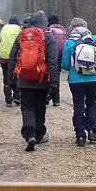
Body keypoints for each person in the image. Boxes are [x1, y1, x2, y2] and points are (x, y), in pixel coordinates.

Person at [8, 11, 60, 151]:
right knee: (40, 106)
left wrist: (11, 80)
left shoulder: (22, 36)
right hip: (42, 79)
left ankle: (29, 133)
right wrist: (55, 84)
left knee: (27, 107)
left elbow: (13, 58)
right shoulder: (48, 37)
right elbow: (54, 62)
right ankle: (38, 134)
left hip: (24, 79)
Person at [61, 17, 96, 147]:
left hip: (76, 81)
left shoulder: (70, 43)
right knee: (91, 103)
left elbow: (64, 65)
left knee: (78, 105)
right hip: (94, 78)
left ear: (72, 28)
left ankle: (80, 135)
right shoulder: (95, 39)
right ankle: (92, 130)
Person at [0, 16, 21, 107]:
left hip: (4, 57)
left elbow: (0, 40)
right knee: (17, 76)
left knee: (6, 77)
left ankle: (8, 99)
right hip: (15, 57)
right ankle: (17, 96)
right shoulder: (18, 29)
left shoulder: (4, 28)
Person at [45, 15, 68, 107]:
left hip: (52, 55)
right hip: (61, 55)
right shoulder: (63, 29)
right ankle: (56, 99)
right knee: (56, 76)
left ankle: (49, 95)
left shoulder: (49, 29)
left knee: (49, 76)